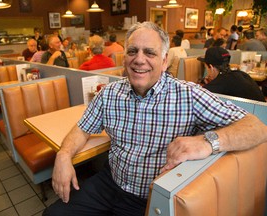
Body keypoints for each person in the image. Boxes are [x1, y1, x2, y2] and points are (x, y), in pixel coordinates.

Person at [43, 21, 267, 216]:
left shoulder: (188, 95)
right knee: (52, 213)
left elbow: (257, 128)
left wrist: (208, 142)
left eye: (149, 52)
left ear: (165, 60)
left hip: (148, 197)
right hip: (110, 183)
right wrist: (63, 155)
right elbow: (83, 128)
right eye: (132, 51)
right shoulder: (109, 94)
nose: (139, 60)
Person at [198, 46, 265, 102]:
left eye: (206, 68)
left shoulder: (222, 81)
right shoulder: (241, 74)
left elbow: (199, 95)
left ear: (211, 67)